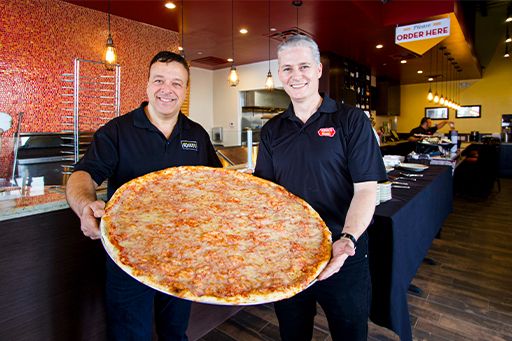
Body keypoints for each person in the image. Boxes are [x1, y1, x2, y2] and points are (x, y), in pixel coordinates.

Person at [66, 51, 221, 340]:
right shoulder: (117, 131)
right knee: (129, 335)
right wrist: (85, 205)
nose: (167, 89)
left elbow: (217, 186)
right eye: (159, 80)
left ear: (185, 89)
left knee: (175, 333)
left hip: (181, 256)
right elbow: (82, 175)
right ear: (147, 84)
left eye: (177, 83)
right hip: (128, 256)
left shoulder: (197, 134)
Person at [254, 35, 387, 341]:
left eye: (303, 66)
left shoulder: (351, 120)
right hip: (289, 254)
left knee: (350, 332)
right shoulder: (272, 129)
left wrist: (347, 239)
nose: (295, 75)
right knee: (293, 330)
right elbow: (266, 195)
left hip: (344, 250)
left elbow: (367, 189)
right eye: (286, 68)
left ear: (318, 70)